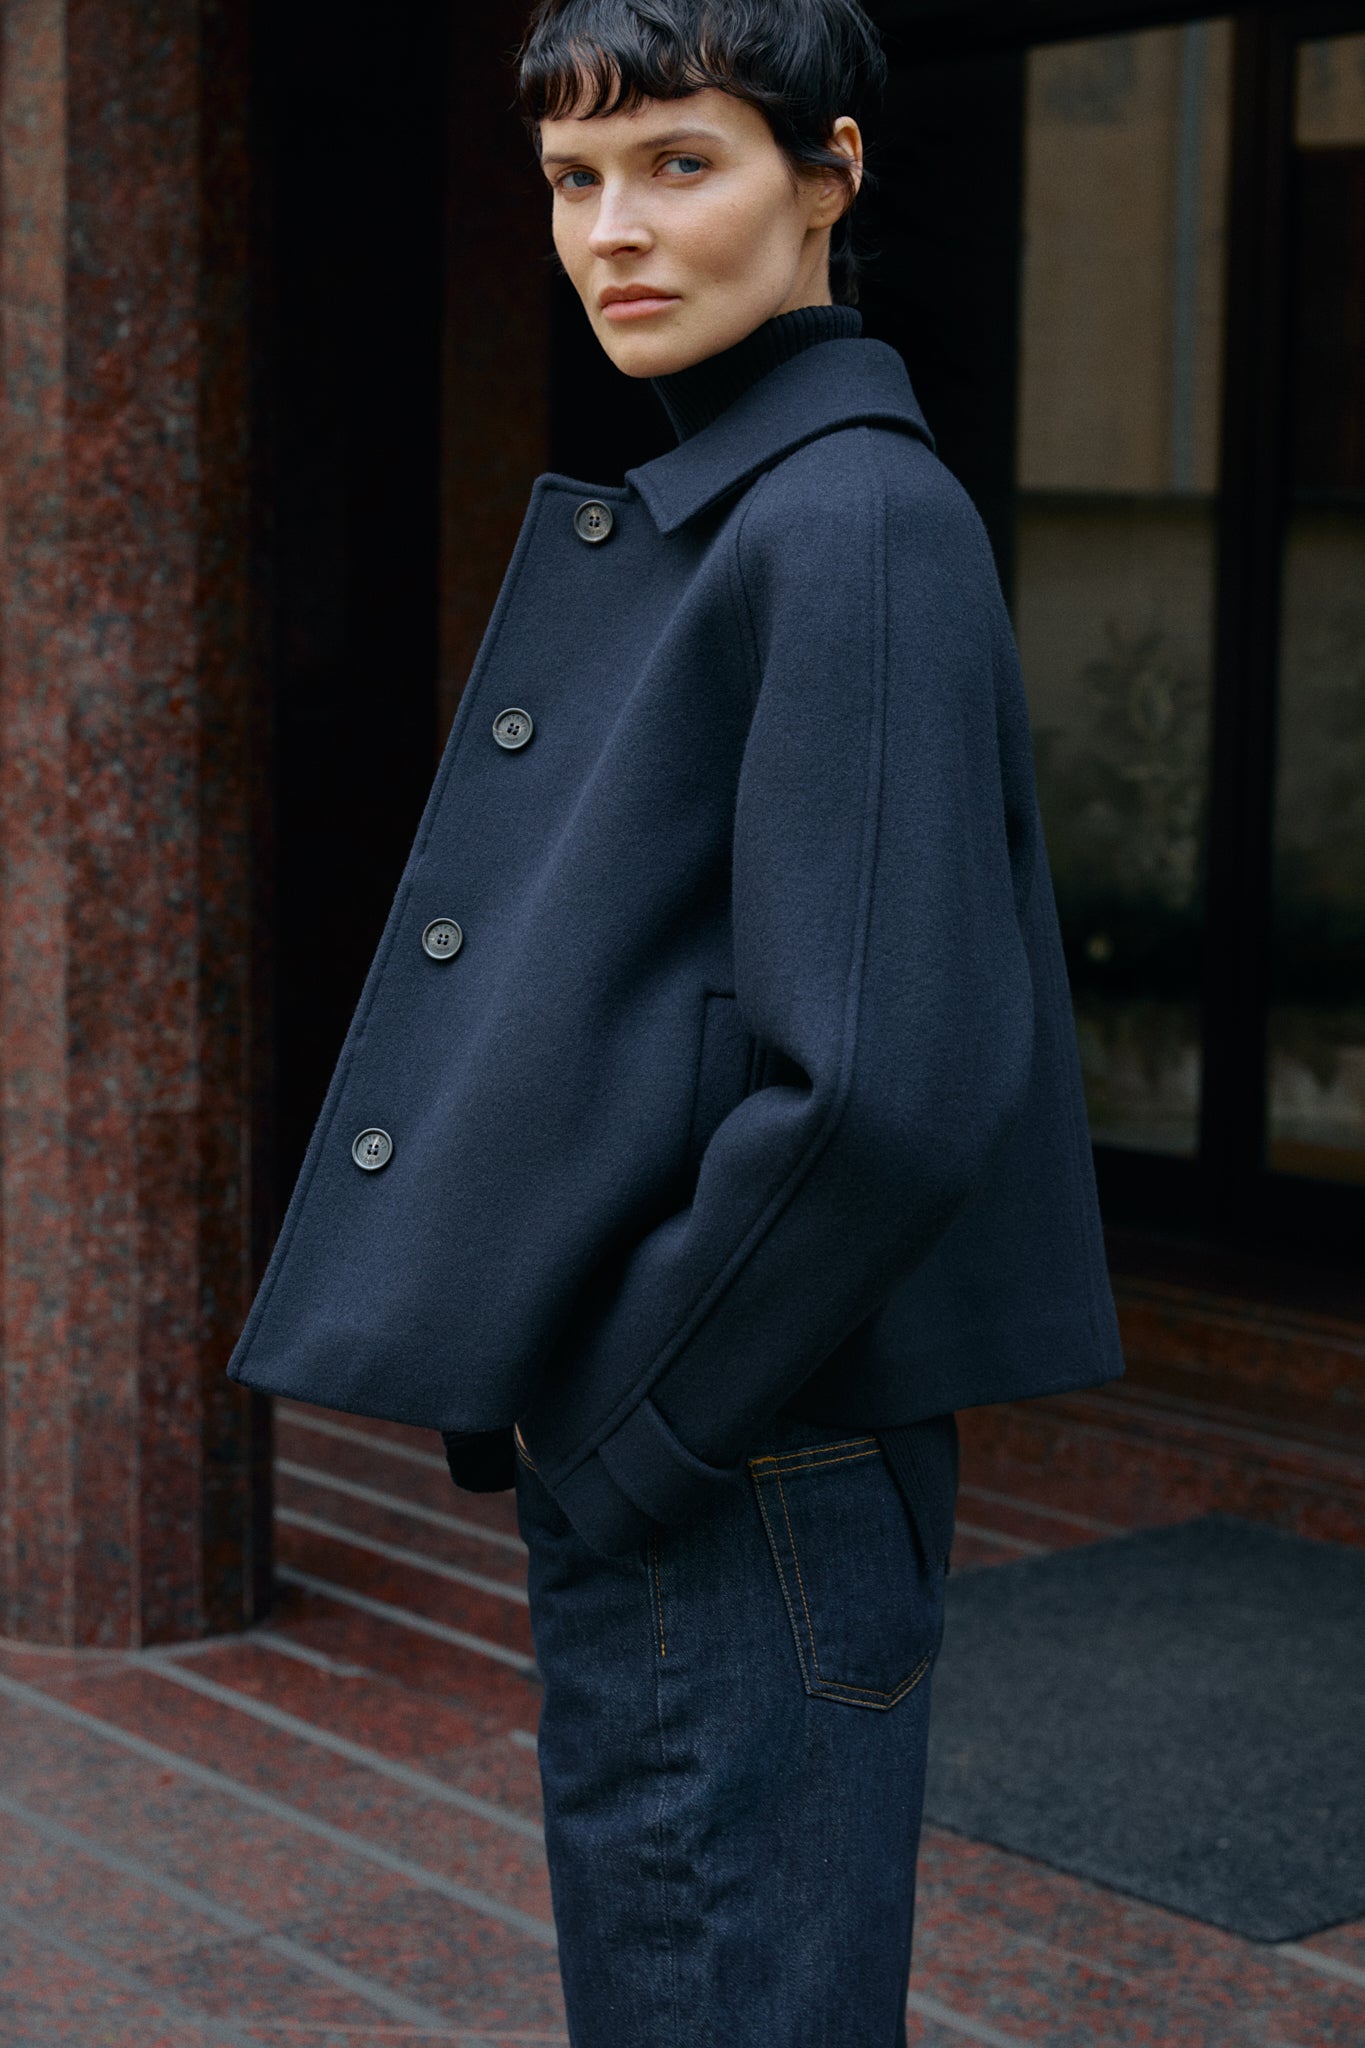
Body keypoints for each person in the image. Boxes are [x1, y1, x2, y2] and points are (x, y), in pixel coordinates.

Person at [228, 0, 1126, 2038]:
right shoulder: (757, 505)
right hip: (739, 1431)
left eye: (677, 163)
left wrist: (620, 1435)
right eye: (569, 179)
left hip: (753, 1451)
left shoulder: (847, 519)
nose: (611, 230)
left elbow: (881, 1087)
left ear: (831, 175)